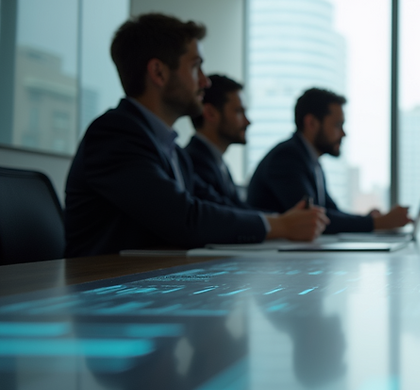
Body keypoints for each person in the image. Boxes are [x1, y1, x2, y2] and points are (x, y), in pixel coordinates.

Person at [64, 13, 327, 258]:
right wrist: (279, 225)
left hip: (150, 281)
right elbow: (184, 218)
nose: (205, 82)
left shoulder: (174, 151)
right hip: (106, 289)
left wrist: (283, 222)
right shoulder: (114, 134)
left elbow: (217, 208)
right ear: (158, 72)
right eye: (195, 68)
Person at [247, 88, 410, 233]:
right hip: (272, 261)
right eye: (338, 125)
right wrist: (377, 222)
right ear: (311, 123)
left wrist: (368, 219)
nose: (343, 134)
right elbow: (312, 217)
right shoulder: (286, 158)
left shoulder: (310, 160)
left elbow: (330, 211)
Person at [185, 74, 251, 208]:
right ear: (210, 113)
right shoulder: (194, 162)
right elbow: (227, 214)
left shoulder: (216, 161)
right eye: (239, 112)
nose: (247, 121)